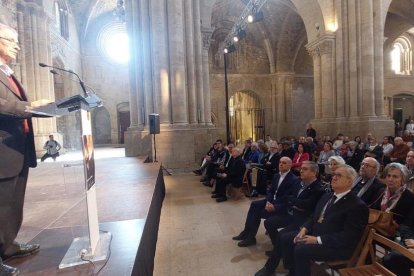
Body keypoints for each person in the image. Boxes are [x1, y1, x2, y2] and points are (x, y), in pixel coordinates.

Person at [276, 165, 368, 276]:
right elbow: (313, 216)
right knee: (287, 238)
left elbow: (348, 236)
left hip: (337, 245)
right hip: (319, 233)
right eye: (334, 175)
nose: (333, 178)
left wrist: (317, 240)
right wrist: (304, 229)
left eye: (339, 175)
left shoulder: (357, 205)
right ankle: (293, 272)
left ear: (349, 181)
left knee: (301, 250)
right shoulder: (327, 196)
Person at [0, 22, 40, 275]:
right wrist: (30, 107)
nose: (17, 44)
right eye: (10, 40)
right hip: (3, 148)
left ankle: (9, 246)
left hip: (17, 148)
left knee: (13, 203)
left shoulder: (7, 72)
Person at [256, 162, 324, 275]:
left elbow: (307, 206)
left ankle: (271, 268)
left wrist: (295, 202)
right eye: (301, 168)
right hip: (291, 214)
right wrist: (296, 203)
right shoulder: (298, 182)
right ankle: (275, 260)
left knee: (282, 236)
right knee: (271, 225)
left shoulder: (318, 189)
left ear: (314, 173)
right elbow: (287, 197)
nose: (301, 171)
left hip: (303, 222)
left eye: (305, 169)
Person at [232, 157, 299, 247]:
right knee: (254, 204)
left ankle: (250, 237)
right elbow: (271, 191)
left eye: (284, 163)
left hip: (280, 206)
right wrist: (268, 201)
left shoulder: (293, 180)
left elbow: (287, 199)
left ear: (290, 165)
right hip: (271, 201)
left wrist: (274, 206)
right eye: (280, 162)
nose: (281, 164)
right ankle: (246, 232)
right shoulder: (276, 176)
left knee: (257, 213)